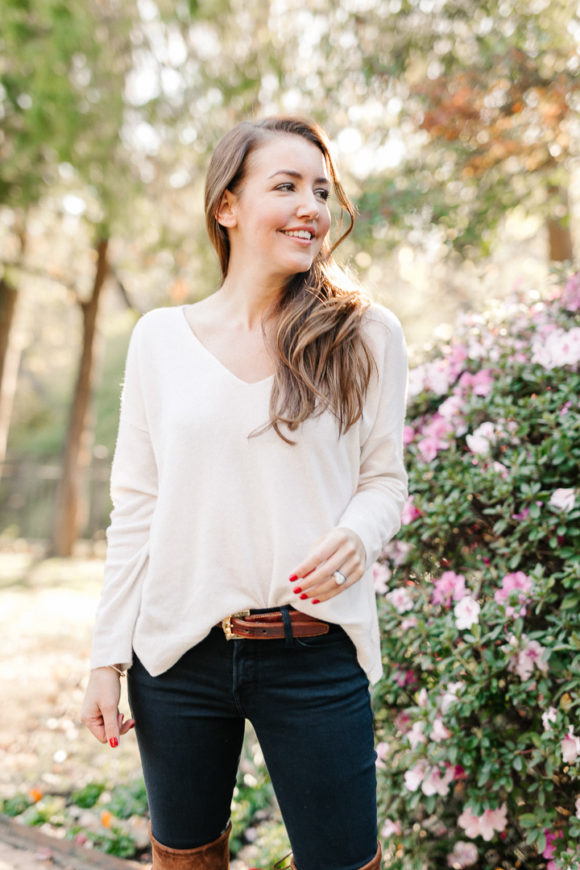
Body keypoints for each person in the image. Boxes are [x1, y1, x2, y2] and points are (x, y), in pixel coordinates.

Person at [81, 116, 408, 870]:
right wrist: (107, 658)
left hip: (316, 650)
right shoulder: (160, 339)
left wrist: (358, 535)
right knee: (186, 858)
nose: (312, 208)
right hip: (178, 656)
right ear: (226, 206)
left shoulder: (365, 334)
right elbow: (135, 508)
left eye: (322, 190)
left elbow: (383, 479)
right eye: (286, 186)